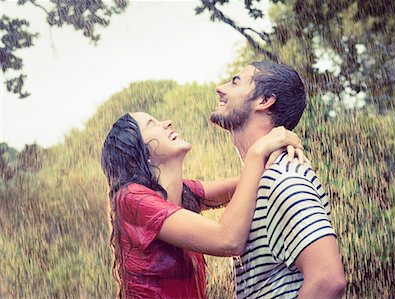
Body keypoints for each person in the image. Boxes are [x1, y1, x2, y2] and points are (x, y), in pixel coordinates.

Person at [101, 111, 304, 298]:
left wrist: (277, 150)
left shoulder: (183, 192)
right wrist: (257, 152)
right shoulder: (130, 199)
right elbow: (228, 240)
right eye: (152, 124)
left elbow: (249, 183)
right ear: (138, 151)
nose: (167, 123)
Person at [210, 60, 346, 298]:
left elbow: (328, 279)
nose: (220, 88)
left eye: (235, 82)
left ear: (264, 100)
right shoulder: (258, 181)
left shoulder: (282, 177)